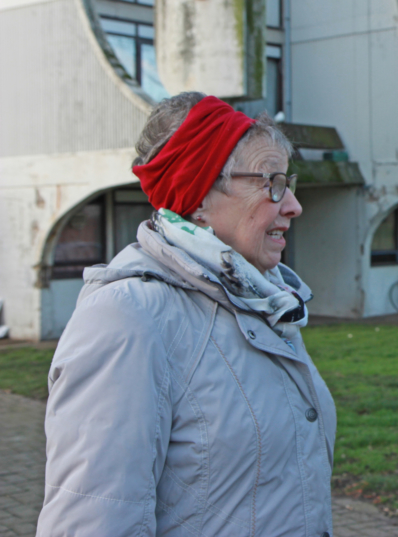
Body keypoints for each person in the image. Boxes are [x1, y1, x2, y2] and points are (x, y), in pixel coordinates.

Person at [37, 93, 337, 536]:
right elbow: (94, 520)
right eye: (271, 183)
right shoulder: (128, 318)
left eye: (288, 182)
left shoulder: (259, 298)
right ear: (196, 198)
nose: (292, 205)